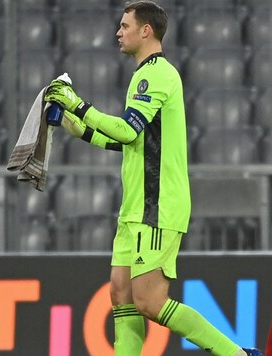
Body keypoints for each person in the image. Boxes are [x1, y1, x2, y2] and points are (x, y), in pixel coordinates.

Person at [44, 1, 261, 355]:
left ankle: (235, 353)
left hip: (157, 205)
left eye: (125, 25)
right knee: (120, 293)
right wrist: (78, 128)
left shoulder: (156, 74)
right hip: (135, 208)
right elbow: (130, 143)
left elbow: (128, 131)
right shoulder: (143, 76)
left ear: (146, 30)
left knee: (149, 302)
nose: (118, 31)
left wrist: (80, 105)